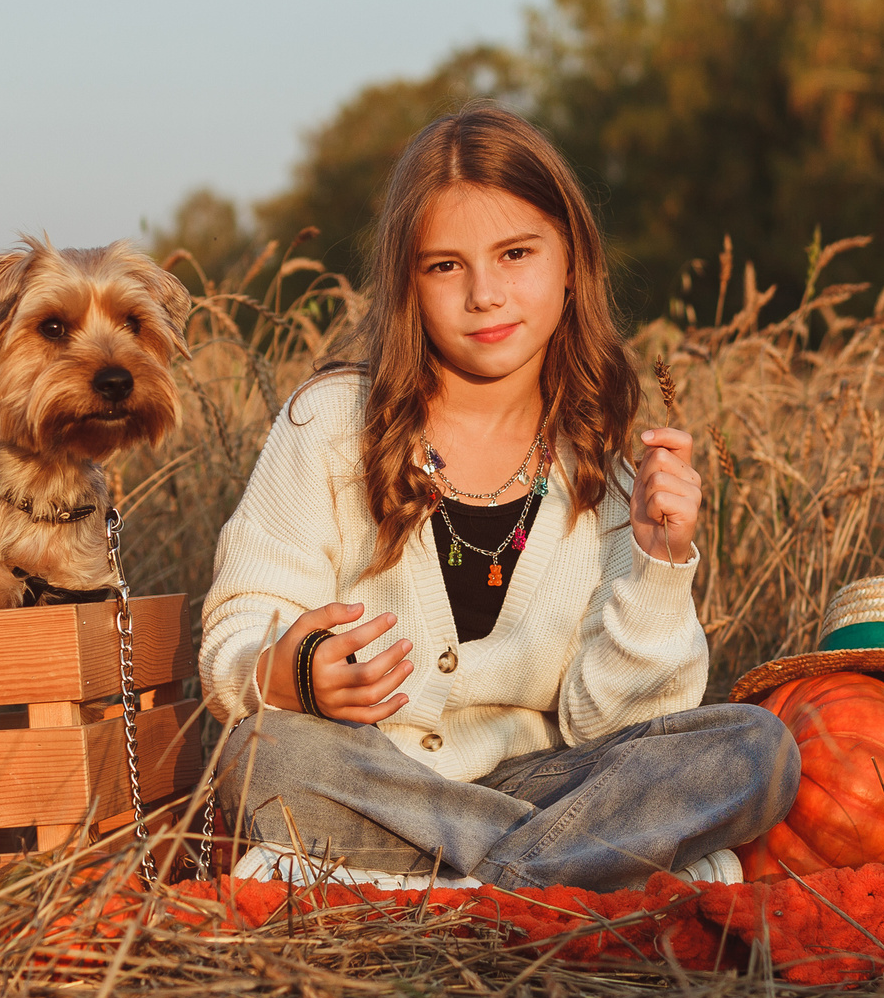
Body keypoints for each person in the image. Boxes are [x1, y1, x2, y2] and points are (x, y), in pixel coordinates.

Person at [198, 104, 797, 890]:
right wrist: (292, 669)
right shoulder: (331, 425)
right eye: (445, 265)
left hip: (544, 785)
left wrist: (657, 564)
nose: (485, 293)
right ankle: (579, 875)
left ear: (571, 260)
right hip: (373, 778)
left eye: (515, 253)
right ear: (408, 282)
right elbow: (235, 632)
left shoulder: (608, 474)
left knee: (757, 748)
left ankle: (449, 884)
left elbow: (614, 728)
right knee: (263, 752)